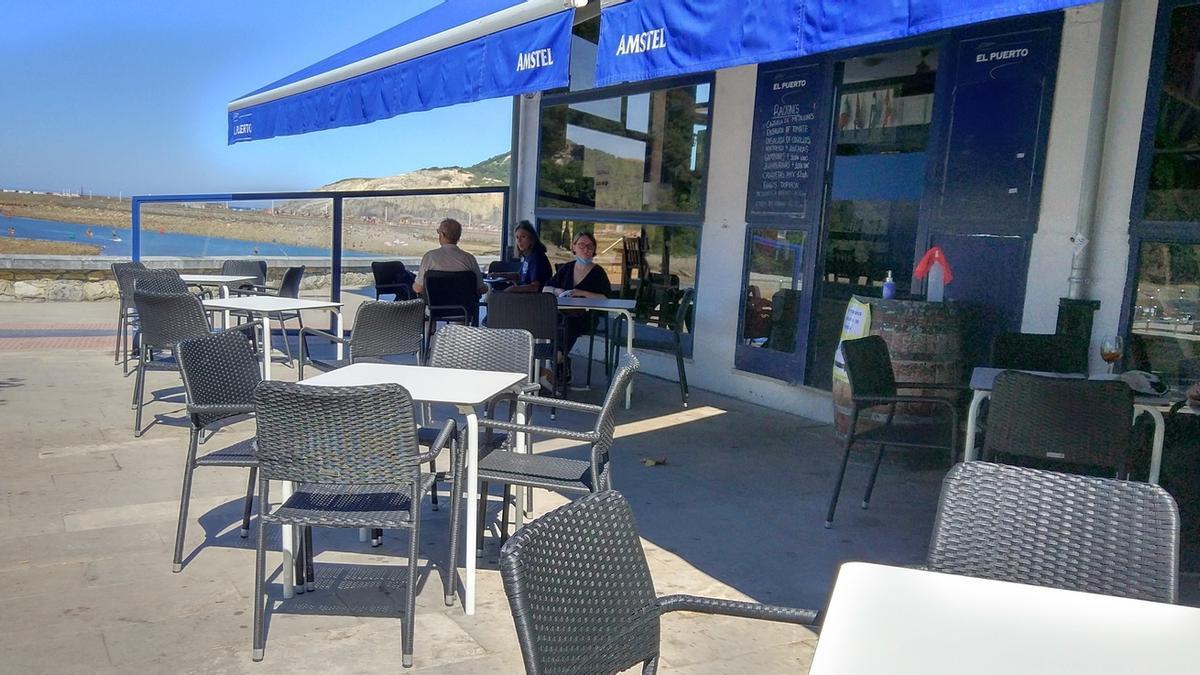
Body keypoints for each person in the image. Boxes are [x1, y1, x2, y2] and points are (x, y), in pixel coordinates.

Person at [542, 231, 611, 384]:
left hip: (585, 318)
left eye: (589, 246)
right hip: (563, 314)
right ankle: (559, 362)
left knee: (569, 323)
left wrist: (582, 293)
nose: (585, 249)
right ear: (574, 247)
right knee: (554, 322)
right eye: (581, 245)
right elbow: (546, 288)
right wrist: (557, 290)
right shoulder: (566, 268)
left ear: (594, 250)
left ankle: (557, 359)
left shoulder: (598, 272)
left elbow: (605, 297)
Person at [412, 218, 487, 295]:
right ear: (459, 237)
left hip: (435, 306)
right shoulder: (469, 259)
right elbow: (481, 289)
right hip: (464, 306)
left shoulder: (429, 257)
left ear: (442, 235)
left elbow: (418, 289)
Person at [504, 220, 552, 293]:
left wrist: (514, 289)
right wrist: (498, 275)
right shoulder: (528, 255)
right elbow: (519, 275)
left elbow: (535, 287)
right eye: (517, 237)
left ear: (532, 238)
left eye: (523, 237)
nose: (519, 241)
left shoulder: (537, 257)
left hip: (534, 299)